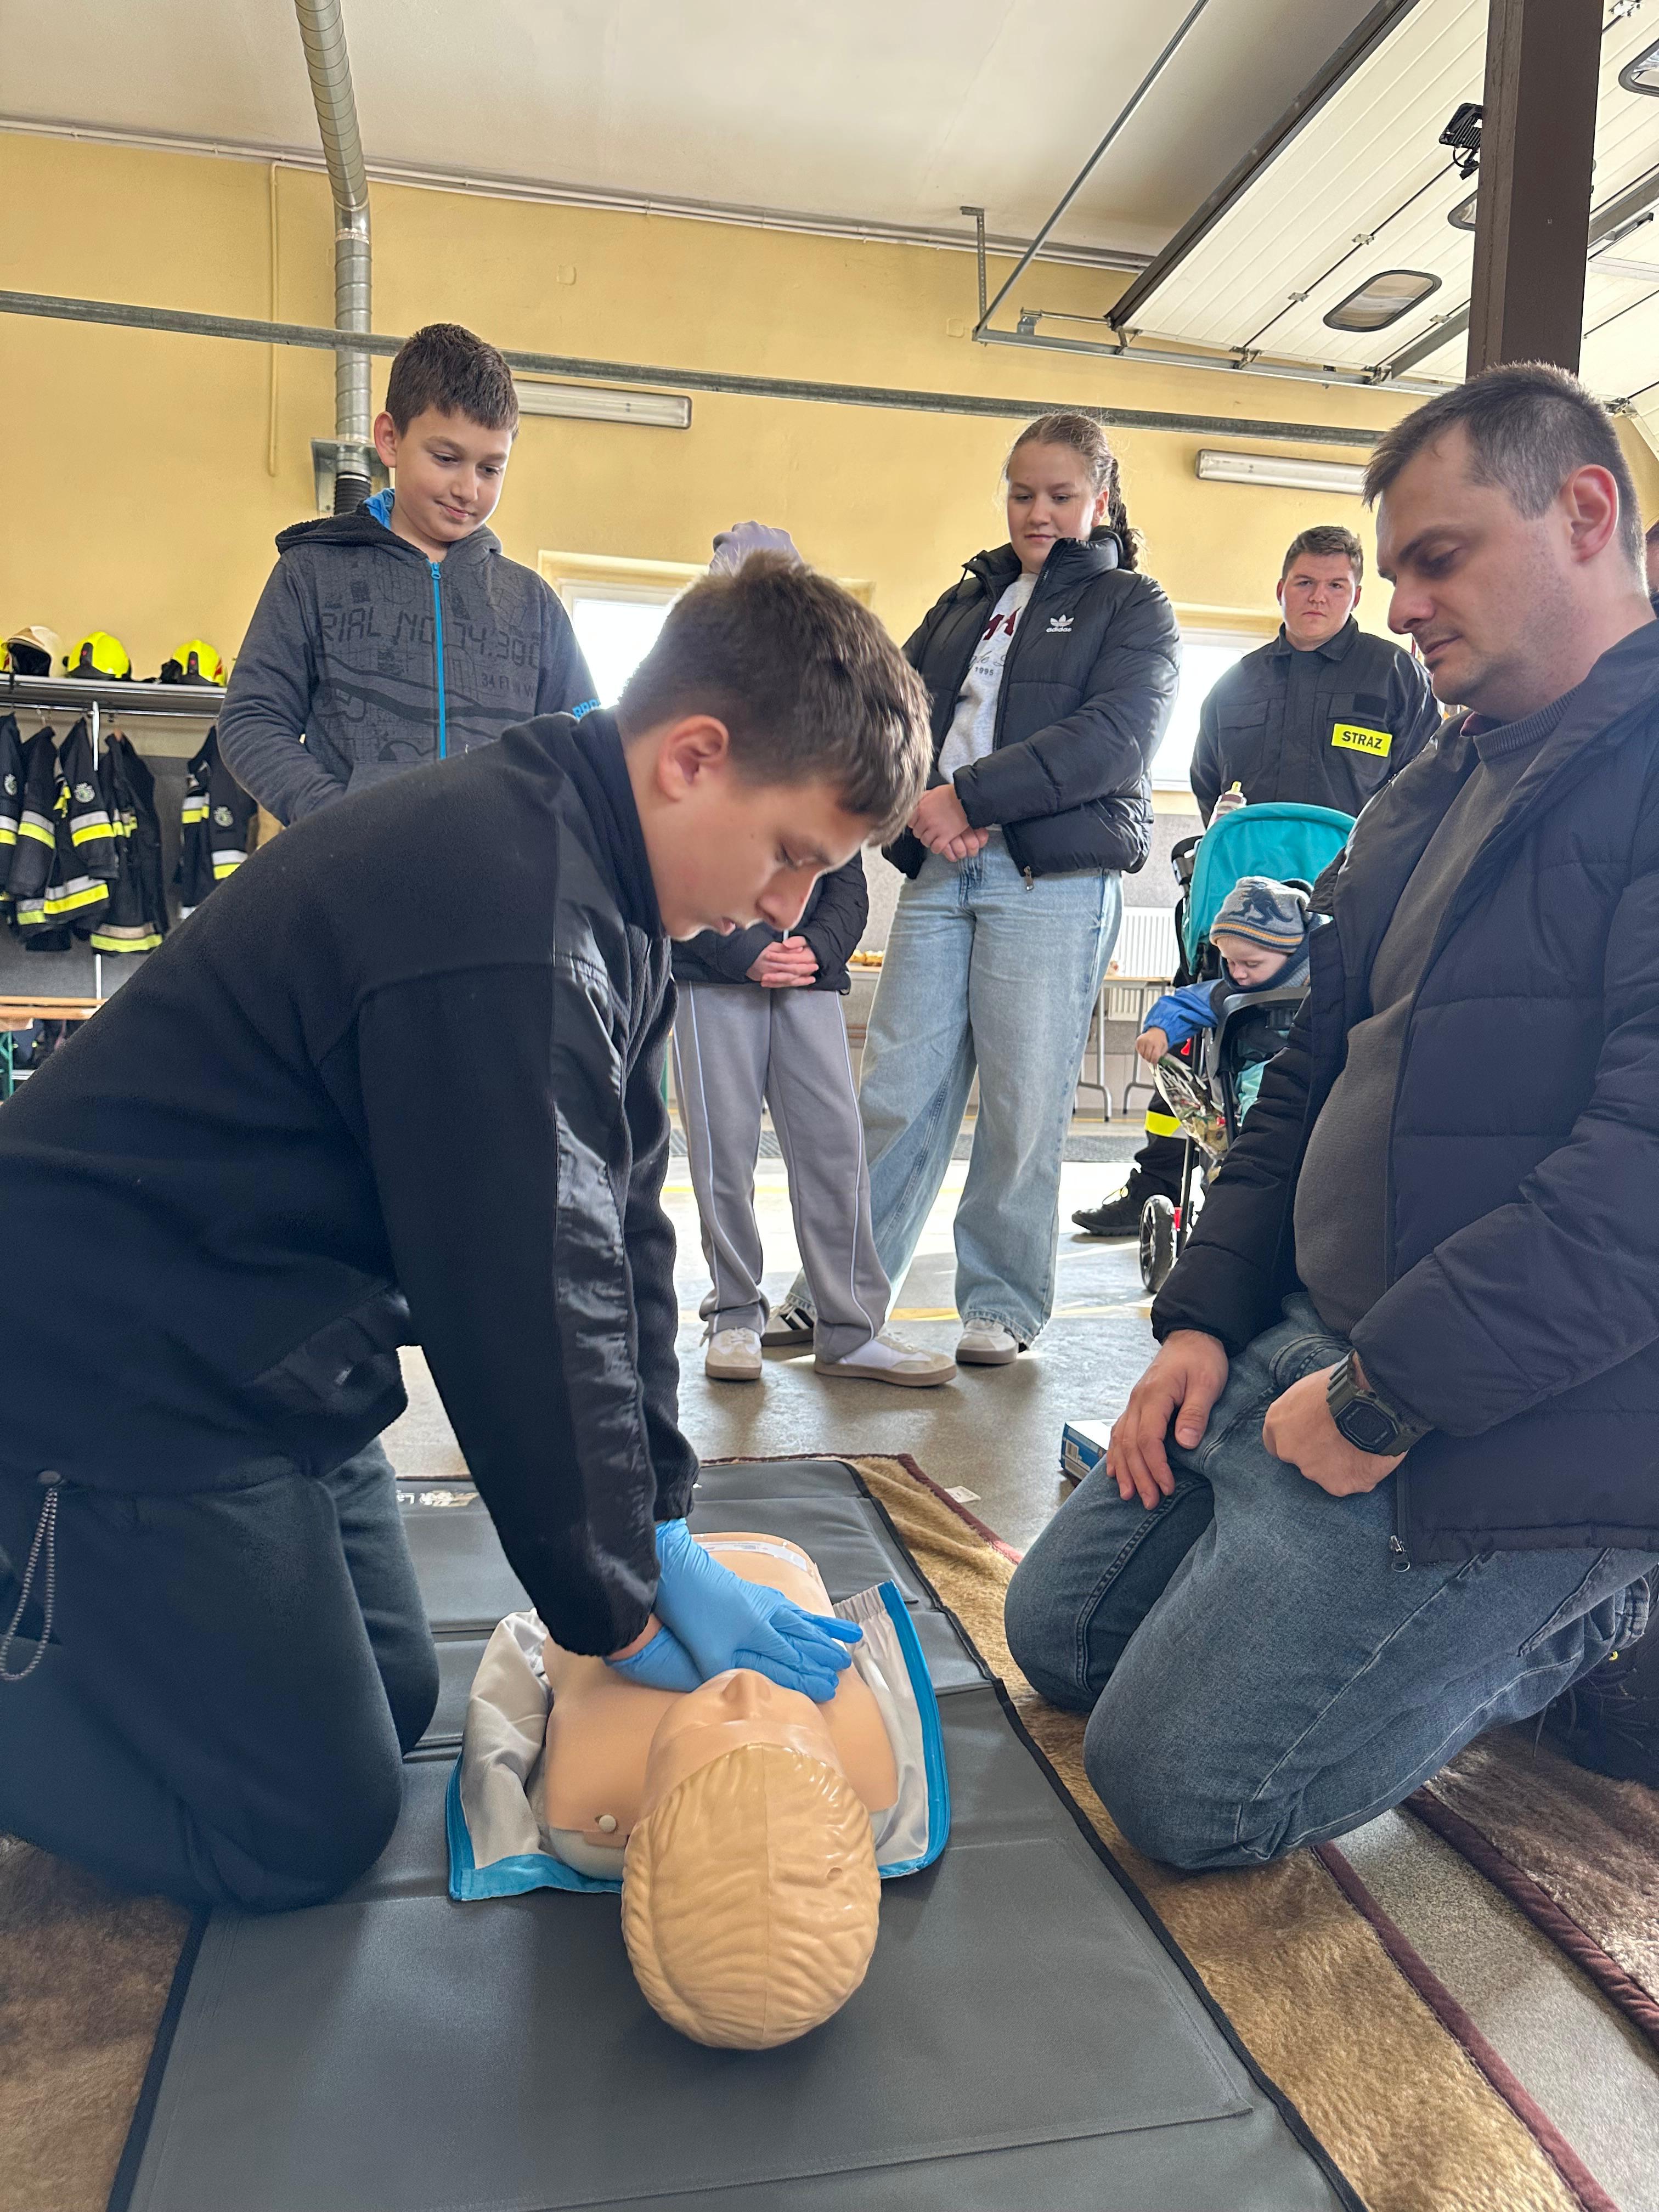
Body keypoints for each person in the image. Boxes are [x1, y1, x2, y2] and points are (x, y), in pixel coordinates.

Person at [0, 555, 930, 1911]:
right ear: (693, 758)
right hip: (112, 1360)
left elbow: (623, 1233)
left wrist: (662, 1522)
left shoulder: (604, 882)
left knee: (392, 1699)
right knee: (301, 1830)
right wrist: (620, 1601)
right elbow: (524, 1303)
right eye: (792, 854)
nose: (789, 907)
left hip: (261, 1338)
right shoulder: (508, 918)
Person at [1005, 363, 1659, 1868]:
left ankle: (1596, 1611)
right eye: (1395, 566)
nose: (1401, 604)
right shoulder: (1432, 785)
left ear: (1585, 512)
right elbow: (1306, 1077)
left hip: (1507, 1416)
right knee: (1061, 1639)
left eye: (1439, 559)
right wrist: (1202, 1321)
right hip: (1313, 1333)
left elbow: (1639, 1190)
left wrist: (1386, 1397)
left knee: (1184, 1791)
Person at [776, 412, 1180, 1365]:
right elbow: (891, 713)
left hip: (1050, 877)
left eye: (1060, 495)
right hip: (941, 864)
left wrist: (969, 797)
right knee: (895, 1089)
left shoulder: (1132, 605)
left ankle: (1000, 1302)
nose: (1037, 512)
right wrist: (923, 805)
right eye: (1021, 493)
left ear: (1100, 500)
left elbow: (1113, 738)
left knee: (1021, 1100)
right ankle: (839, 1292)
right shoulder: (967, 601)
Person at [1073, 522, 1440, 1240]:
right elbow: (1209, 783)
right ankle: (1159, 1183)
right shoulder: (1236, 684)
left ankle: (1337, 1201)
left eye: (1336, 585)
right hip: (1235, 914)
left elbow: (1424, 785)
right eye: (1305, 582)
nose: (1318, 597)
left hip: (1351, 910)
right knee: (1193, 1040)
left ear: (1356, 595)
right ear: (1280, 589)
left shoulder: (1394, 676)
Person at [672, 524, 955, 1391]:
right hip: (715, 975)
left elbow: (848, 875)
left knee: (835, 1151)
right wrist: (747, 951)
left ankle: (851, 1327)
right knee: (722, 1152)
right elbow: (672, 861)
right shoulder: (687, 722)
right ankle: (734, 1316)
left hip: (807, 977)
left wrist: (814, 949)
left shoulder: (827, 727)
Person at [219, 321, 596, 824]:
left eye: (490, 469)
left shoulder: (533, 604)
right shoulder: (311, 574)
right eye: (446, 458)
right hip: (353, 863)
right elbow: (252, 721)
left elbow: (584, 747)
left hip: (496, 868)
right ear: (390, 439)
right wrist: (334, 819)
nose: (468, 489)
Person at [542, 1532, 889, 2049]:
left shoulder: (590, 1785)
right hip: (770, 1552)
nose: (747, 1686)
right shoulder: (863, 1771)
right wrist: (655, 1541)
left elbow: (551, 1503)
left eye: (713, 1727)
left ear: (641, 1844)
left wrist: (614, 1615)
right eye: (790, 1724)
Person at [1134, 876, 1312, 1126]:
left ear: (1293, 954)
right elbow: (1186, 1004)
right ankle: (1259, 1144)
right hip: (1260, 1083)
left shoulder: (1325, 982)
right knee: (1262, 1091)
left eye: (1251, 964)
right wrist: (1159, 1030)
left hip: (1321, 1078)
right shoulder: (1229, 993)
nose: (1238, 973)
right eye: (1230, 962)